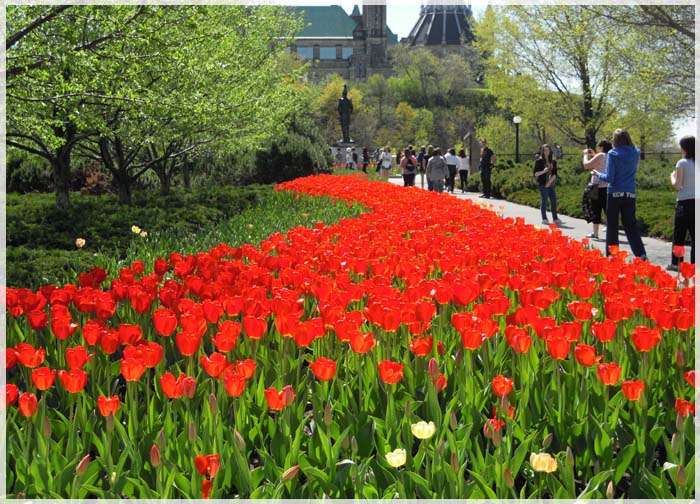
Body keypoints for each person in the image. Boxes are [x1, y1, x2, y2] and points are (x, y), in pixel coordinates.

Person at [593, 128, 647, 259]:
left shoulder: (613, 153)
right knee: (631, 225)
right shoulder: (635, 152)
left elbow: (609, 177)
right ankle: (641, 254)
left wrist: (597, 173)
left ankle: (612, 256)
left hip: (614, 193)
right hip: (630, 192)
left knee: (612, 226)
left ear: (616, 140)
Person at [667, 135, 695, 271]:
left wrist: (672, 176)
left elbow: (678, 186)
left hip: (684, 203)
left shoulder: (682, 163)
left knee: (680, 235)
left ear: (684, 147)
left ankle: (677, 264)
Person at [582, 139, 612, 239]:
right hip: (608, 187)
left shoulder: (601, 155)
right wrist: (594, 155)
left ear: (601, 147)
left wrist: (585, 155)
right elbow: (601, 164)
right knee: (608, 210)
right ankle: (611, 233)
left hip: (597, 187)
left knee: (596, 209)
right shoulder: (610, 156)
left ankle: (595, 233)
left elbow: (587, 165)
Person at [533, 144, 563, 226]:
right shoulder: (539, 161)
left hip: (550, 184)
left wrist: (549, 182)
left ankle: (555, 218)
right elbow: (535, 174)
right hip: (542, 184)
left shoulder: (553, 161)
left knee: (554, 201)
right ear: (542, 151)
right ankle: (544, 218)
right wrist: (544, 171)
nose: (546, 152)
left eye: (548, 150)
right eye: (545, 150)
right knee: (544, 201)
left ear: (550, 151)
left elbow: (555, 174)